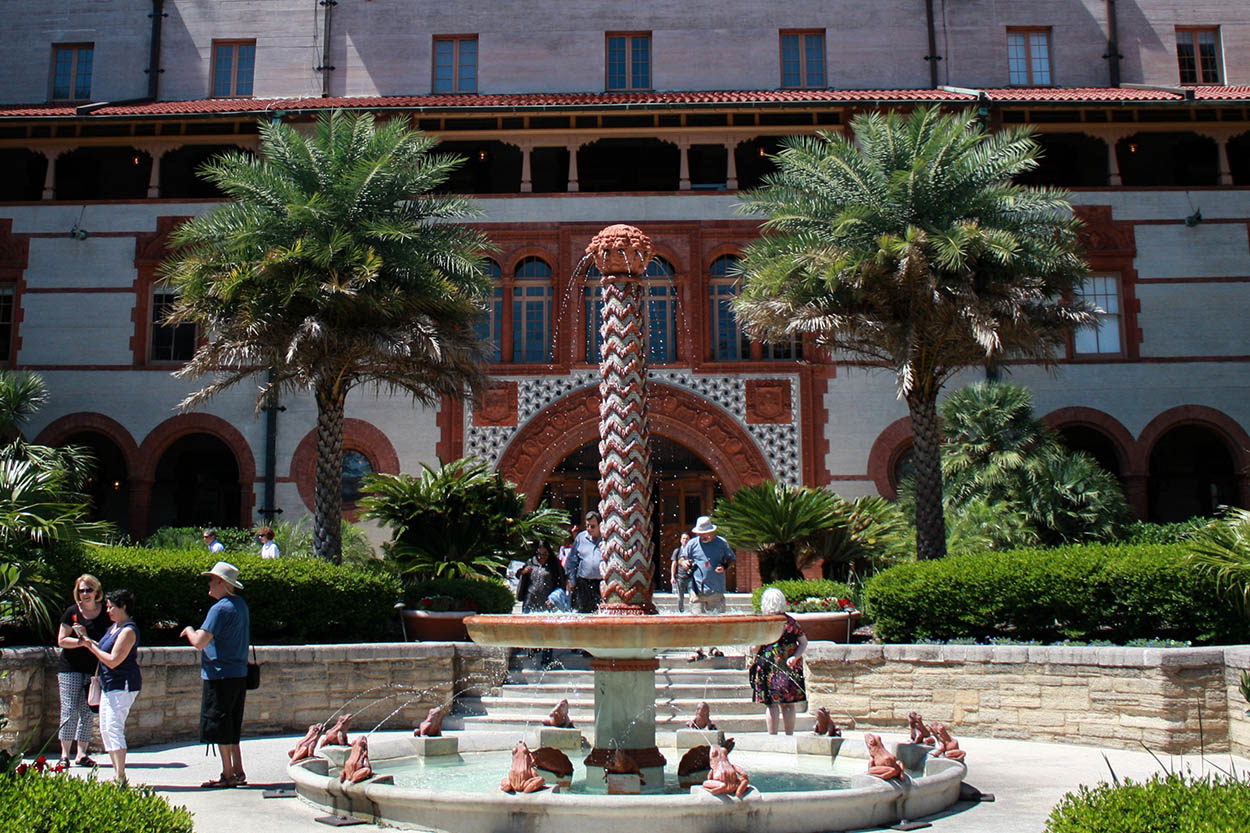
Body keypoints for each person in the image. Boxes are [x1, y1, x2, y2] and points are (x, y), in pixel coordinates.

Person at [180, 561, 251, 789]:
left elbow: (200, 642)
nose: (209, 584)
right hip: (238, 674)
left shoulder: (219, 608)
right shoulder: (240, 605)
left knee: (220, 724)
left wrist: (189, 631)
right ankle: (238, 770)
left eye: (212, 579)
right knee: (232, 722)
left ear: (222, 582)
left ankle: (228, 774)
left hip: (219, 676)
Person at [74, 588, 141, 784]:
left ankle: (121, 776)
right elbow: (104, 650)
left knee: (113, 728)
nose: (108, 610)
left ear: (124, 607)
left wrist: (89, 646)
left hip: (123, 685)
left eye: (112, 607)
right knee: (105, 729)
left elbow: (113, 660)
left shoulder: (128, 630)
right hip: (109, 685)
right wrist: (88, 640)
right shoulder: (114, 628)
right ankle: (117, 774)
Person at [55, 573, 109, 769]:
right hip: (70, 668)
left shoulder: (106, 613)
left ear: (97, 592)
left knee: (87, 711)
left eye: (88, 590)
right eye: (81, 590)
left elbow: (109, 640)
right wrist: (81, 642)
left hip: (93, 670)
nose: (85, 594)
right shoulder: (72, 612)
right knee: (69, 711)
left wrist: (90, 642)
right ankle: (64, 754)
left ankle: (82, 753)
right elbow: (61, 640)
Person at [750, 587, 808, 735]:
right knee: (788, 705)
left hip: (768, 667)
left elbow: (755, 647)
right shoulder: (790, 622)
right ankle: (789, 735)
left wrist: (753, 655)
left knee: (771, 705)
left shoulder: (763, 623)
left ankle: (773, 737)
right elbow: (803, 642)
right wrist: (795, 657)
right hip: (789, 668)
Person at [683, 516, 735, 660]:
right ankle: (698, 650)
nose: (702, 536)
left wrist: (724, 566)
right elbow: (681, 558)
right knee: (697, 620)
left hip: (716, 590)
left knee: (715, 621)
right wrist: (685, 563)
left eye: (704, 534)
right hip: (696, 589)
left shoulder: (722, 543)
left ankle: (714, 648)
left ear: (711, 532)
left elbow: (731, 559)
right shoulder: (692, 544)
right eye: (699, 534)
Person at [516, 541, 566, 665]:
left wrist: (555, 598)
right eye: (539, 554)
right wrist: (523, 572)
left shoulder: (554, 565)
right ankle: (533, 651)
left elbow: (561, 582)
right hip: (530, 600)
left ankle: (546, 658)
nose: (541, 557)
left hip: (546, 602)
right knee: (530, 629)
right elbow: (518, 574)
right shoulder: (530, 563)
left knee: (547, 631)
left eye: (544, 554)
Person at [564, 511, 604, 614]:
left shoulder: (606, 539)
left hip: (601, 584)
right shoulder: (581, 538)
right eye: (587, 526)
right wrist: (572, 580)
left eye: (592, 526)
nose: (589, 529)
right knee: (582, 613)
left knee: (600, 613)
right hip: (583, 583)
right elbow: (572, 561)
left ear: (600, 526)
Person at [669, 533, 692, 613]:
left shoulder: (692, 551)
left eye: (687, 539)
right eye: (683, 538)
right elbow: (674, 564)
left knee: (692, 596)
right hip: (680, 577)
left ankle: (692, 612)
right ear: (680, 540)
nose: (685, 540)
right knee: (680, 598)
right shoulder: (677, 551)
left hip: (691, 577)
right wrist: (672, 576)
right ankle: (681, 612)